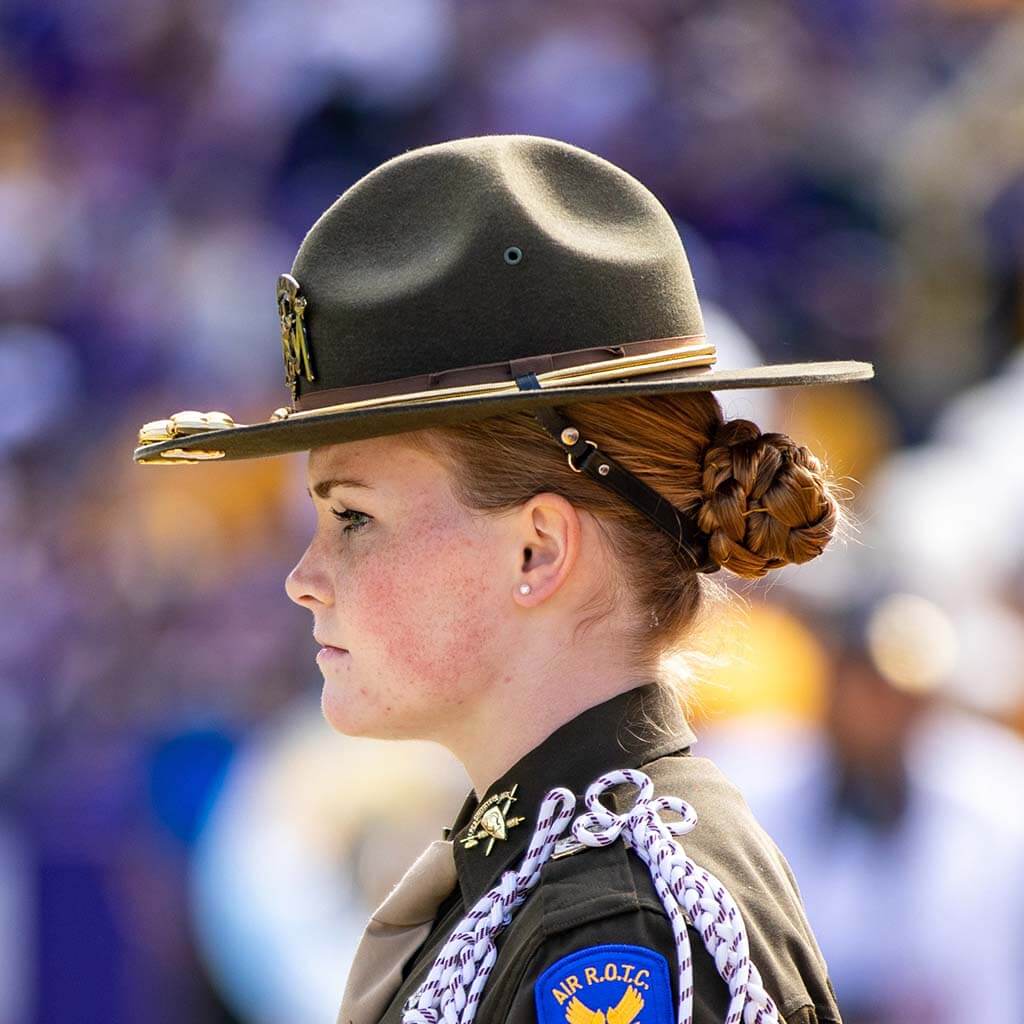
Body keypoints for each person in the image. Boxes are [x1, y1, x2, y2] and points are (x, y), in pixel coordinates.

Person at [134, 133, 873, 1024]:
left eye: (354, 517)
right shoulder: (549, 871)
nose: (304, 578)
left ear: (537, 552)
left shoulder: (612, 931)